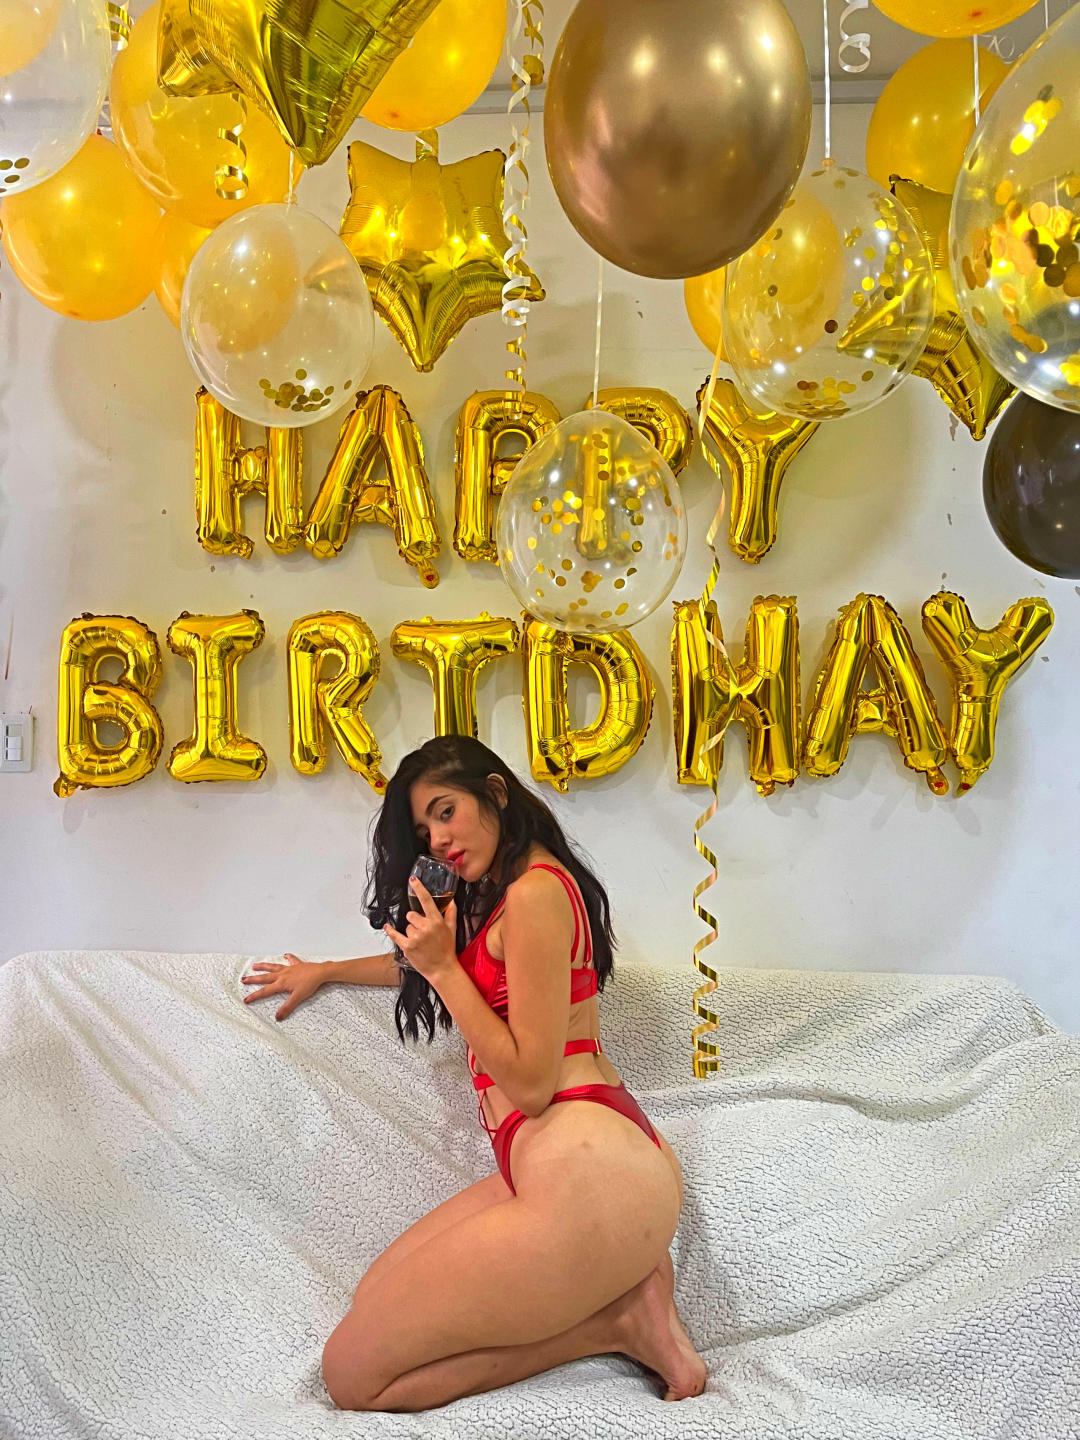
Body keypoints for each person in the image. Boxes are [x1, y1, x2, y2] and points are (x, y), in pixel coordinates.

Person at [240, 735, 707, 1411]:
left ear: (494, 793)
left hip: (593, 1178)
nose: (438, 840)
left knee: (351, 1377)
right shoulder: (507, 894)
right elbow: (440, 962)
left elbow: (531, 1085)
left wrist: (442, 970)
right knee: (371, 1299)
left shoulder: (537, 894)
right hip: (574, 1169)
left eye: (446, 811)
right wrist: (328, 971)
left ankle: (617, 1323)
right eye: (424, 831)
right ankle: (626, 1303)